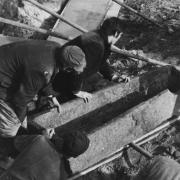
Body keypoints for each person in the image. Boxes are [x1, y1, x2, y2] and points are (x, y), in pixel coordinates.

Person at [0, 40, 86, 138]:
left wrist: (51, 96)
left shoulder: (56, 47)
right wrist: (22, 121)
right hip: (3, 80)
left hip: (6, 64)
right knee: (10, 131)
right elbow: (20, 100)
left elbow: (44, 78)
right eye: (72, 70)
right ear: (67, 68)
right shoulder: (44, 70)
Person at [53, 17, 130, 102]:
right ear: (116, 33)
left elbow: (100, 62)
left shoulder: (101, 39)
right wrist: (76, 91)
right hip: (59, 78)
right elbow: (78, 70)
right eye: (120, 35)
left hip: (70, 75)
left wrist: (113, 76)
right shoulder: (95, 45)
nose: (119, 38)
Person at [0, 130, 90, 180]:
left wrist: (43, 136)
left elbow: (17, 143)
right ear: (75, 156)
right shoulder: (63, 174)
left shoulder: (39, 140)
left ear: (61, 137)